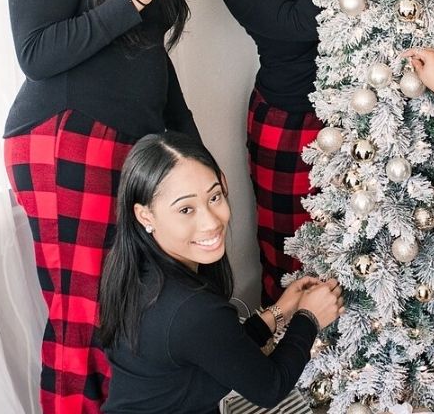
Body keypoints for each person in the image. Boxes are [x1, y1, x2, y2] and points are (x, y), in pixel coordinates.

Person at [2, 0, 201, 411]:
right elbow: (36, 54)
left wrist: (192, 150)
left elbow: (151, 59)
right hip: (64, 139)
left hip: (129, 140)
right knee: (86, 309)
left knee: (137, 302)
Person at [201, 0, 346, 305]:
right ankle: (285, 336)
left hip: (348, 111)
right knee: (290, 244)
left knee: (347, 236)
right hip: (286, 120)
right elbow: (306, 23)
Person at [99, 132, 343, 413]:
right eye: (186, 209)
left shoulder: (137, 270)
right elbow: (270, 387)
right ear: (146, 216)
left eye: (214, 197)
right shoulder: (190, 308)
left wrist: (280, 311)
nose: (211, 222)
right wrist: (309, 318)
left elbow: (219, 348)